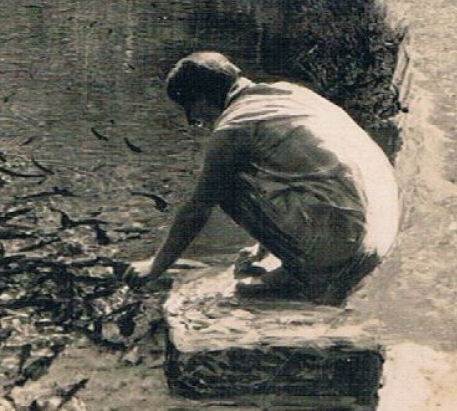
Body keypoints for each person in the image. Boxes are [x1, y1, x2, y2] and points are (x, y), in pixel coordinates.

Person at [128, 52, 398, 306]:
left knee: (223, 184)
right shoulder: (291, 93)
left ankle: (303, 276)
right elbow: (311, 177)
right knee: (258, 167)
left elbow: (197, 209)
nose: (193, 120)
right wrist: (263, 248)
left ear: (200, 99)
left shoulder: (235, 125)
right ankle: (298, 263)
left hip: (343, 246)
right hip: (381, 235)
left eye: (191, 112)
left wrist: (155, 267)